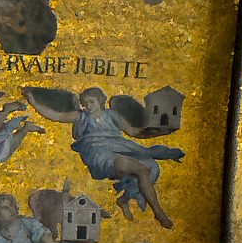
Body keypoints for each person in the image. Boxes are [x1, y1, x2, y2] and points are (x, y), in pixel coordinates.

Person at [31, 87, 184, 226]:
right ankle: (158, 212)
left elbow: (134, 132)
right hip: (99, 153)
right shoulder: (80, 116)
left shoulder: (113, 115)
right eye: (85, 103)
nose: (88, 106)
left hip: (120, 146)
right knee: (141, 169)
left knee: (151, 167)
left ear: (101, 101)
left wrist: (158, 132)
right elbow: (56, 115)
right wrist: (32, 100)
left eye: (91, 102)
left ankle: (124, 199)